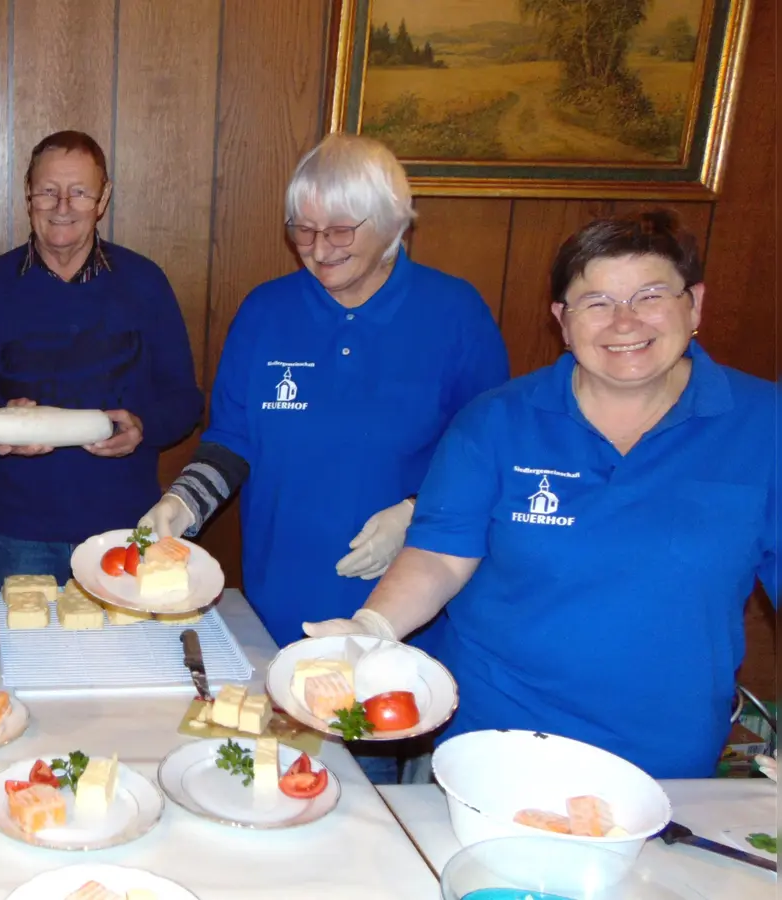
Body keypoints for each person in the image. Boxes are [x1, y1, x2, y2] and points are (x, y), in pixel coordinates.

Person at [304, 210, 778, 780]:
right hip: (493, 745)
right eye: (597, 302)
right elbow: (439, 556)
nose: (625, 322)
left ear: (694, 304)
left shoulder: (773, 428)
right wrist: (372, 629)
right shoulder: (496, 421)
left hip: (666, 764)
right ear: (563, 319)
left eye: (650, 296)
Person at [138, 133, 508, 783]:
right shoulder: (266, 312)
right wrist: (183, 502)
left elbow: (489, 459)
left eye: (339, 231)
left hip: (396, 623)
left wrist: (416, 515)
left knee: (364, 810)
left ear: (395, 223)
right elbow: (234, 438)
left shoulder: (455, 316)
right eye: (302, 230)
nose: (317, 249)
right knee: (269, 786)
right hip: (276, 607)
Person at [0, 130, 203, 582]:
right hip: (20, 532)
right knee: (27, 653)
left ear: (103, 200)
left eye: (79, 192)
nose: (63, 207)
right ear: (28, 196)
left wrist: (143, 428)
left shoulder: (145, 284)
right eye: (48, 192)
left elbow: (185, 400)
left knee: (121, 654)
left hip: (124, 527)